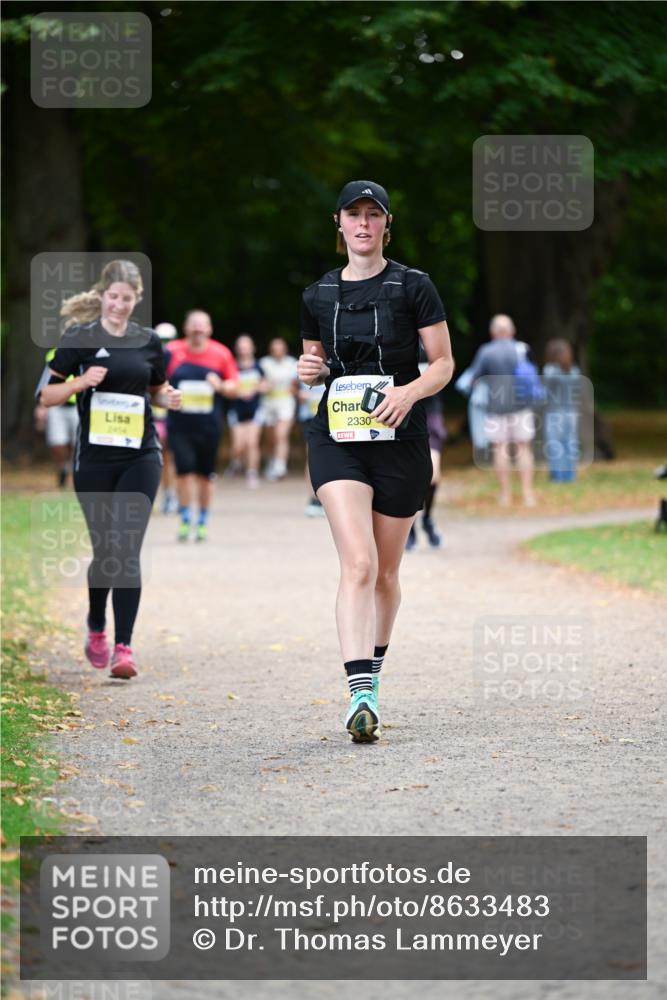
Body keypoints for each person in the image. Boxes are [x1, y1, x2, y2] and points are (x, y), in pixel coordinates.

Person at [298, 180, 454, 742]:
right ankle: (358, 695)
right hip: (336, 437)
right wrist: (309, 369)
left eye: (373, 215)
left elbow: (442, 364)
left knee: (387, 572)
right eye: (353, 214)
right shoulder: (317, 294)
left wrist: (408, 394)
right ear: (337, 223)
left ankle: (373, 677)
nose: (363, 223)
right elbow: (313, 360)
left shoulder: (414, 286)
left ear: (387, 224)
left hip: (400, 439)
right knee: (358, 564)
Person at [39, 259, 182, 680]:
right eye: (113, 296)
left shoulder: (148, 341)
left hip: (141, 453)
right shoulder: (79, 338)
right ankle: (97, 624)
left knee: (126, 548)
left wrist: (167, 398)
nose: (119, 304)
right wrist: (79, 384)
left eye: (127, 298)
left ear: (137, 299)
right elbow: (45, 396)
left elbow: (155, 390)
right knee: (105, 552)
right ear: (102, 296)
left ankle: (124, 647)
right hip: (94, 460)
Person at [164, 311, 239, 541]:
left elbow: (235, 387)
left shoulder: (221, 353)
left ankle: (203, 520)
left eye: (202, 325)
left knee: (206, 476)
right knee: (184, 473)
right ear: (185, 328)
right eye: (194, 325)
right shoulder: (171, 352)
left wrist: (221, 386)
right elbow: (156, 381)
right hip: (179, 424)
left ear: (209, 329)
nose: (198, 329)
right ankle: (186, 519)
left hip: (209, 426)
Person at [466, 314, 541, 507]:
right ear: (512, 331)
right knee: (524, 448)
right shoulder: (522, 349)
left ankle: (505, 495)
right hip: (522, 405)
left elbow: (474, 379)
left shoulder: (486, 351)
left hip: (496, 407)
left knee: (500, 448)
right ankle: (527, 494)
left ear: (493, 332)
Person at [406, 347, 446, 549]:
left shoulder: (431, 345)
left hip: (430, 415)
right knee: (407, 476)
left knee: (433, 474)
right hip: (403, 415)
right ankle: (409, 527)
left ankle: (427, 519)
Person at [226, 334, 268, 489]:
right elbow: (226, 387)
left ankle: (251, 472)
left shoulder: (258, 367)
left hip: (255, 409)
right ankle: (235, 463)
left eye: (247, 345)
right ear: (237, 349)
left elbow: (265, 386)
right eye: (241, 346)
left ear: (252, 348)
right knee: (238, 445)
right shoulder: (232, 367)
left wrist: (254, 389)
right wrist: (238, 392)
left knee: (252, 443)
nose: (244, 349)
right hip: (236, 410)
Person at [34, 347, 79, 488]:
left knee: (76, 443)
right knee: (57, 442)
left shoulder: (88, 351)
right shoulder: (52, 354)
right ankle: (63, 466)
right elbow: (46, 381)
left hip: (78, 405)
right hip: (56, 405)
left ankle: (75, 472)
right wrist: (41, 406)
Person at [543, 339, 582, 482]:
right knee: (570, 443)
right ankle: (570, 475)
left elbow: (545, 392)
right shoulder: (574, 371)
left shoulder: (549, 370)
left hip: (555, 412)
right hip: (571, 413)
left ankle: (558, 476)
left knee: (555, 444)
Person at [259, 337, 298, 481]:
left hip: (286, 402)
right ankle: (271, 461)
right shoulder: (264, 363)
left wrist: (295, 390)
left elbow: (296, 385)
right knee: (271, 437)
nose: (277, 351)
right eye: (275, 348)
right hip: (268, 403)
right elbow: (259, 382)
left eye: (280, 348)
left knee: (281, 434)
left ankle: (280, 466)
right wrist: (263, 386)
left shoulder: (292, 363)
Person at [154, 322, 179, 512]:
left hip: (175, 415)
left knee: (172, 456)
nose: (165, 344)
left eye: (168, 340)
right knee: (162, 455)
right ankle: (167, 494)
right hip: (156, 415)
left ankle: (174, 494)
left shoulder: (178, 360)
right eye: (162, 340)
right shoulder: (151, 359)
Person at [296, 377, 327, 516]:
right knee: (312, 456)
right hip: (310, 416)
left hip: (335, 415)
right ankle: (313, 499)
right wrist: (300, 394)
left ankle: (328, 500)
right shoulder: (304, 363)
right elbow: (292, 387)